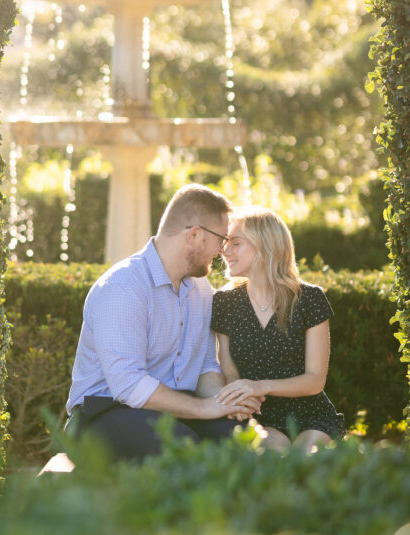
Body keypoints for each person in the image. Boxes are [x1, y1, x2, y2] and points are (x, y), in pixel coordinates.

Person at [66, 184, 263, 460]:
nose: (222, 251)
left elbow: (206, 364)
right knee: (181, 447)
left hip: (175, 409)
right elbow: (129, 386)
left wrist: (223, 403)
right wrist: (206, 409)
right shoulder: (123, 287)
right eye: (221, 239)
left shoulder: (201, 289)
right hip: (104, 413)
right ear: (194, 235)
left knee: (239, 439)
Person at [212, 207, 346, 453]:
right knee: (277, 458)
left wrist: (261, 386)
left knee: (308, 457)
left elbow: (315, 380)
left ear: (265, 246)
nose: (224, 250)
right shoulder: (224, 303)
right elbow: (229, 372)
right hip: (259, 415)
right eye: (225, 243)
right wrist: (243, 400)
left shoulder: (310, 299)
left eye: (235, 243)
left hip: (311, 414)